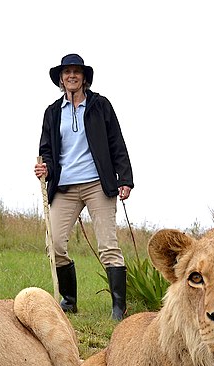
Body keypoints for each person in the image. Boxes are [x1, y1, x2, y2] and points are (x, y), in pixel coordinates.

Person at [35, 53, 134, 321]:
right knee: (54, 243)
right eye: (67, 72)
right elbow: (47, 151)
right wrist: (44, 168)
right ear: (60, 78)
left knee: (108, 245)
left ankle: (118, 308)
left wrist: (125, 178)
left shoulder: (100, 106)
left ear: (84, 77)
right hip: (65, 187)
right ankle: (69, 301)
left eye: (76, 72)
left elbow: (117, 142)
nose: (71, 76)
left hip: (97, 184)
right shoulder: (53, 112)